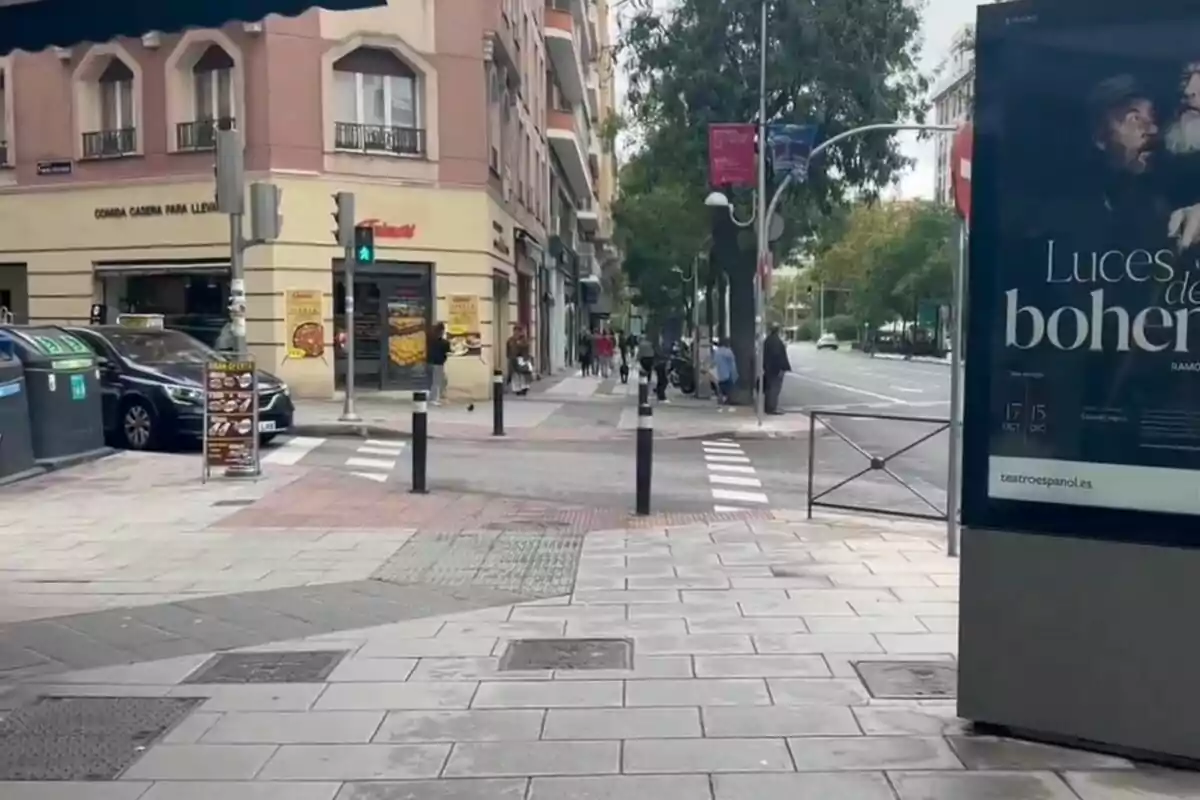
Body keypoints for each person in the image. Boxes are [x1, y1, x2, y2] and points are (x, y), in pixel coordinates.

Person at [762, 324, 791, 415]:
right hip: (775, 369)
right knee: (774, 389)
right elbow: (778, 356)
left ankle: (768, 407)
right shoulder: (776, 342)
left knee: (769, 388)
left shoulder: (767, 340)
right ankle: (771, 408)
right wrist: (781, 369)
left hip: (769, 368)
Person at [426, 322, 451, 405]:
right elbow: (448, 350)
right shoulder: (443, 342)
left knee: (442, 380)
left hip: (429, 362)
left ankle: (438, 396)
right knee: (436, 382)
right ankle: (433, 399)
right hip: (438, 363)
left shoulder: (430, 339)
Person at [507, 326, 532, 395]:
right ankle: (517, 389)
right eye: (515, 331)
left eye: (518, 331)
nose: (517, 333)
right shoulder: (511, 340)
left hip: (522, 358)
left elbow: (526, 349)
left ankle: (524, 388)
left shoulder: (523, 340)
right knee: (515, 375)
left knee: (523, 374)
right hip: (514, 358)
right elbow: (509, 350)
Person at [712, 338, 737, 407]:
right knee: (729, 388)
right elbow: (732, 364)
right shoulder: (729, 352)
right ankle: (727, 400)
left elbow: (714, 363)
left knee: (721, 388)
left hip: (719, 374)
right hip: (728, 373)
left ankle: (720, 399)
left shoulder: (717, 352)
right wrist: (735, 374)